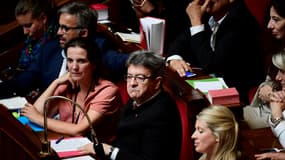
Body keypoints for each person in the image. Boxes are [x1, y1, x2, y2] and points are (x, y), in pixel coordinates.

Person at [0, 2, 129, 99]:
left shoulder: (100, 50)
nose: (58, 32)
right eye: (59, 27)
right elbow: (24, 80)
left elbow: (129, 61)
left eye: (65, 28)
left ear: (83, 33)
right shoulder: (50, 49)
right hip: (46, 112)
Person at [79, 51, 182, 160]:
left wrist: (109, 151)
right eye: (129, 76)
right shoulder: (139, 97)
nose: (132, 83)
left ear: (157, 82)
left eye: (140, 78)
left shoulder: (162, 113)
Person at [21, 37, 123, 143]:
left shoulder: (108, 91)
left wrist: (38, 118)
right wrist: (55, 83)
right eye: (70, 60)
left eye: (81, 61)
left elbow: (78, 130)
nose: (74, 67)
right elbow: (38, 112)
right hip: (66, 143)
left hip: (97, 152)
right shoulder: (66, 83)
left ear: (94, 64)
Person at [165, 0, 265, 104]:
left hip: (236, 99)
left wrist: (196, 22)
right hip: (211, 89)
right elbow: (179, 42)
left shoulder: (241, 23)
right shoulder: (210, 16)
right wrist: (175, 59)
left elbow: (210, 65)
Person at [243, 0, 285, 129]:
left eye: (276, 20)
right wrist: (269, 91)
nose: (269, 25)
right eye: (270, 19)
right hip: (267, 109)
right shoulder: (276, 46)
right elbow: (267, 84)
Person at [14, 0, 57, 70]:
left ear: (43, 18)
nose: (25, 32)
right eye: (22, 26)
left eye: (28, 25)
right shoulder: (31, 40)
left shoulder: (57, 37)